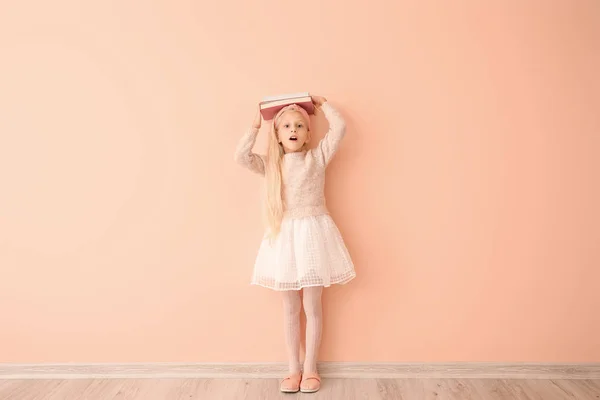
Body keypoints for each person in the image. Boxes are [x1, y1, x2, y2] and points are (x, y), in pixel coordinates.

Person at [234, 95, 356, 393]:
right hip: (284, 238)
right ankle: (293, 369)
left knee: (312, 306)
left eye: (300, 125)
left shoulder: (317, 157)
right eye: (286, 125)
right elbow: (241, 157)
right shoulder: (271, 166)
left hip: (313, 236)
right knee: (289, 308)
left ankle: (311, 368)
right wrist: (255, 127)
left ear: (308, 133)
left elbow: (339, 128)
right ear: (276, 134)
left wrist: (324, 104)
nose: (293, 129)